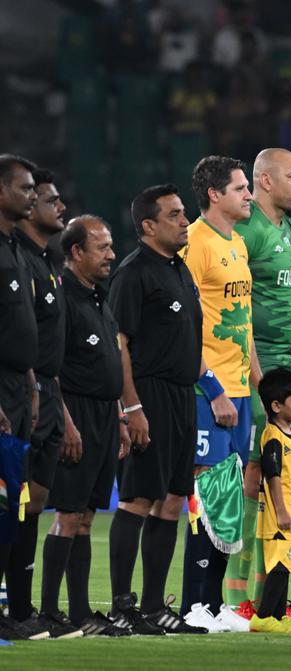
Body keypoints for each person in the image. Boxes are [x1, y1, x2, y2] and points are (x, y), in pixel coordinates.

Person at [107, 184, 205, 634]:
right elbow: (120, 345)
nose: (185, 221)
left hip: (183, 396)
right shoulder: (133, 273)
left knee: (171, 501)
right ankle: (121, 606)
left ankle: (152, 607)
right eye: (174, 215)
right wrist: (132, 406)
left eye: (184, 213)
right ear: (148, 225)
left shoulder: (179, 269)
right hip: (149, 394)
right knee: (138, 498)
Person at [180, 155, 260, 633]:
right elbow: (185, 330)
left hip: (240, 392)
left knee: (230, 497)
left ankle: (213, 604)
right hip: (206, 390)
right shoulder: (195, 245)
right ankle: (194, 603)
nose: (249, 194)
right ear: (214, 194)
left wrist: (256, 384)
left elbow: (242, 321)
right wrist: (213, 390)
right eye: (240, 187)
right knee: (207, 493)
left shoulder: (237, 244)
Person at [41, 216, 129, 637]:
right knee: (69, 514)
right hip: (76, 413)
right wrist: (66, 423)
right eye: (102, 247)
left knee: (87, 518)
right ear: (76, 252)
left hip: (105, 416)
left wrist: (121, 417)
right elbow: (51, 368)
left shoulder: (98, 298)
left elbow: (109, 364)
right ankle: (48, 611)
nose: (111, 254)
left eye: (110, 246)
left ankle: (79, 614)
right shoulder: (62, 299)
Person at [230, 148, 291, 618]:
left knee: (283, 476)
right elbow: (239, 312)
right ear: (264, 180)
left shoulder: (286, 229)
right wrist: (260, 381)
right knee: (255, 476)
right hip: (258, 371)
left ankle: (270, 601)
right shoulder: (247, 230)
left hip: (286, 370)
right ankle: (239, 597)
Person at [9, 168, 68, 638]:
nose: (56, 205)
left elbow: (39, 342)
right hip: (15, 389)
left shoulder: (44, 261)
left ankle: (22, 608)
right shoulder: (20, 259)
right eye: (45, 197)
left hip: (41, 390)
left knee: (33, 501)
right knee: (13, 500)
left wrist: (43, 394)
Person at [0, 154, 39, 642]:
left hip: (16, 389)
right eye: (24, 188)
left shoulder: (15, 248)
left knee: (11, 506)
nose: (32, 195)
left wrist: (30, 385)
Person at [250, 368, 291, 634]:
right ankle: (264, 616)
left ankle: (278, 616)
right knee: (279, 565)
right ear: (277, 406)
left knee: (287, 565)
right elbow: (273, 476)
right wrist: (281, 511)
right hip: (281, 516)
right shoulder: (273, 436)